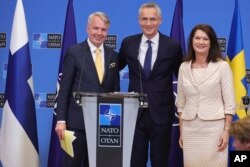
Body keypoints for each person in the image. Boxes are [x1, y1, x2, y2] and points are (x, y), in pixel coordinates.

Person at [119, 2, 183, 166]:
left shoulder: (173, 46)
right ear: (139, 20)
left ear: (160, 20)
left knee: (160, 161)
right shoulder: (128, 43)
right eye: (144, 19)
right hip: (134, 114)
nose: (148, 23)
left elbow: (183, 78)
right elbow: (113, 70)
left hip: (161, 114)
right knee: (135, 162)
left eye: (152, 19)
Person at [55, 12, 119, 167]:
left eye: (103, 29)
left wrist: (115, 123)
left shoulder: (113, 56)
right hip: (76, 123)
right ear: (87, 29)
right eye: (95, 28)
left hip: (104, 125)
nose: (99, 33)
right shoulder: (74, 52)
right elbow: (64, 90)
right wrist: (61, 120)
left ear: (107, 32)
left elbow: (115, 91)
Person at [176, 24, 236, 167]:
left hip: (214, 129)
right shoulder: (184, 67)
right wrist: (182, 131)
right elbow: (181, 103)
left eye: (205, 39)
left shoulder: (222, 66)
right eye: (197, 38)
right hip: (190, 129)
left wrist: (226, 131)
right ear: (192, 41)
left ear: (211, 43)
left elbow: (229, 103)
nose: (200, 42)